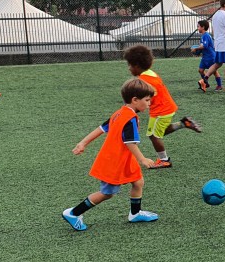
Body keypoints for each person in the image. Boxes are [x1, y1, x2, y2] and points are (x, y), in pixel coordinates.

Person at [62, 78, 160, 231]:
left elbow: (101, 128)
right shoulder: (130, 119)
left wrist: (83, 142)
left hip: (124, 159)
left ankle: (135, 213)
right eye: (147, 100)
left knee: (138, 182)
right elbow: (130, 143)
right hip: (115, 161)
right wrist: (142, 159)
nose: (149, 103)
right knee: (107, 193)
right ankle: (74, 213)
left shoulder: (119, 113)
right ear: (135, 100)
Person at [124, 45, 203, 169]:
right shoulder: (149, 73)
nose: (129, 68)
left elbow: (143, 99)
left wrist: (131, 110)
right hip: (162, 108)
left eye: (130, 65)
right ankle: (183, 123)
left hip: (162, 110)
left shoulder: (145, 80)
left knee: (154, 135)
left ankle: (164, 160)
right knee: (157, 132)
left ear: (137, 66)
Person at [194, 20, 222, 91]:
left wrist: (196, 48)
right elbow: (203, 46)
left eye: (198, 26)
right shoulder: (203, 36)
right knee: (200, 70)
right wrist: (197, 52)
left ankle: (219, 85)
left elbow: (205, 46)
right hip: (205, 57)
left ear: (203, 27)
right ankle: (206, 84)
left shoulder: (206, 35)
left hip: (210, 56)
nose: (197, 28)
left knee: (214, 71)